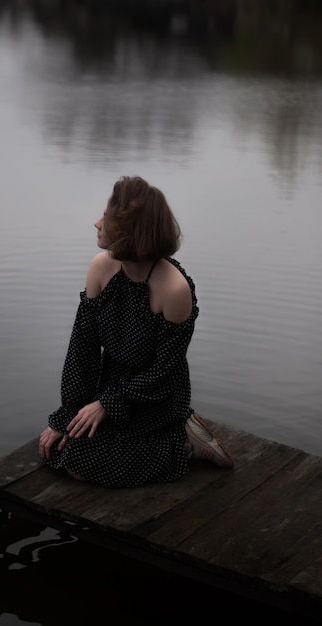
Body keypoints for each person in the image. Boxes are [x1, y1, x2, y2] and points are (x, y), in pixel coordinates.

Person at [39, 176, 234, 488]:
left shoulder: (173, 289)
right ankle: (166, 441)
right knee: (57, 449)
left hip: (156, 394)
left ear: (132, 229)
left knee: (80, 464)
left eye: (107, 217)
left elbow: (165, 369)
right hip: (112, 383)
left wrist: (108, 404)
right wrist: (67, 416)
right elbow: (82, 350)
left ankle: (184, 443)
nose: (97, 223)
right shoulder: (100, 268)